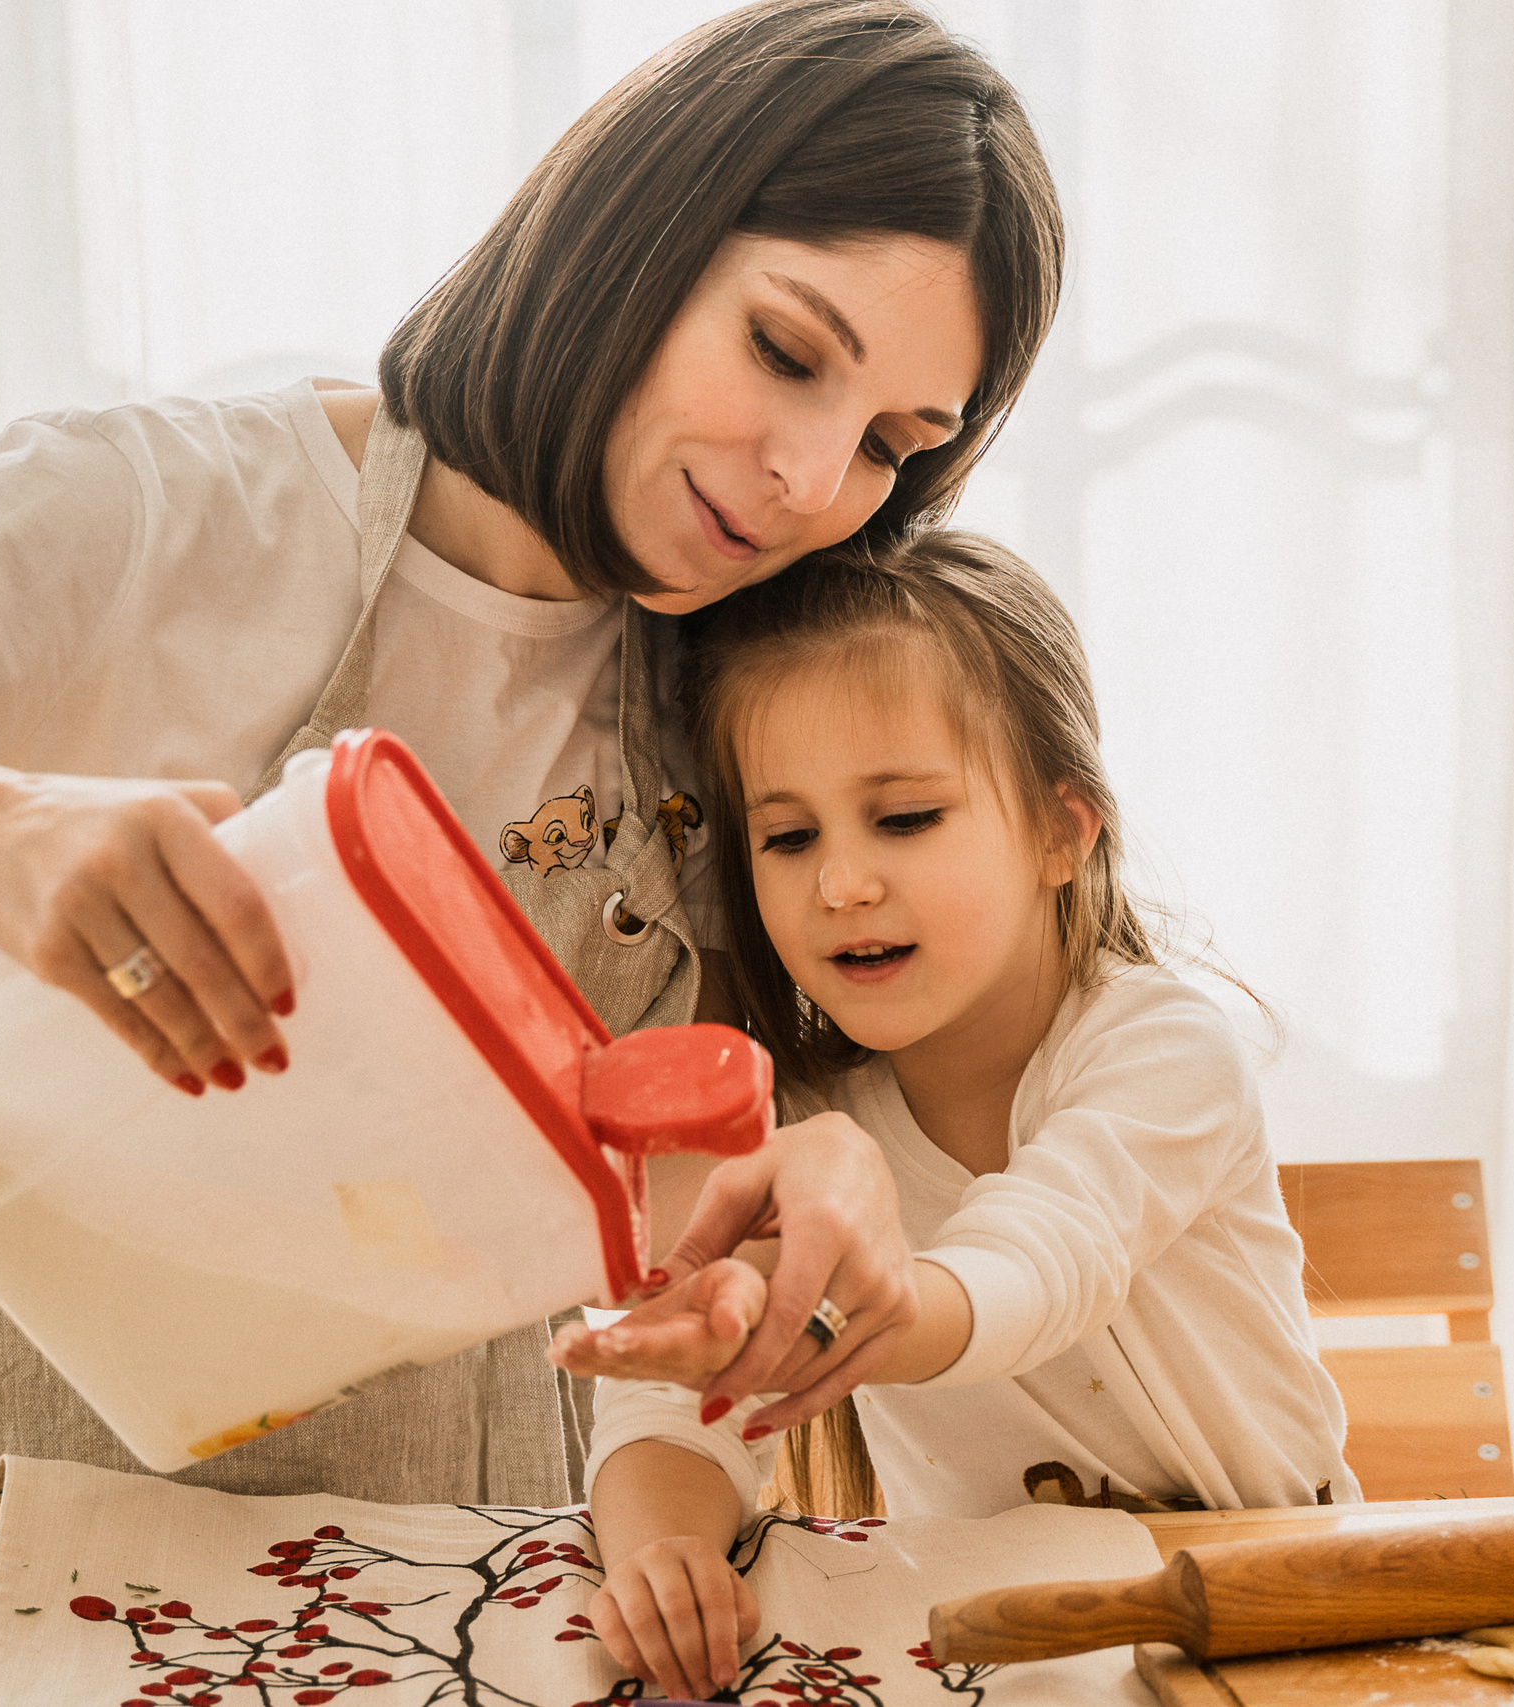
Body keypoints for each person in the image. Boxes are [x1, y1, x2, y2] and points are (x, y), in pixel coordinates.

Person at [0, 0, 1063, 1648]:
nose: (814, 480)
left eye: (893, 445)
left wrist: (794, 1198)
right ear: (634, 233)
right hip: (40, 1538)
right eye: (787, 351)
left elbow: (643, 1207)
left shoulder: (733, 699)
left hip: (465, 1573)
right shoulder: (163, 509)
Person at [556, 534, 1354, 1702]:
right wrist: (662, 1551)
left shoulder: (1160, 1045)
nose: (841, 884)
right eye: (788, 837)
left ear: (1059, 830)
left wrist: (863, 1304)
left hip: (1285, 1625)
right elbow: (675, 1400)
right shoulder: (806, 1123)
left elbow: (1048, 1255)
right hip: (1012, 1654)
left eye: (905, 818)